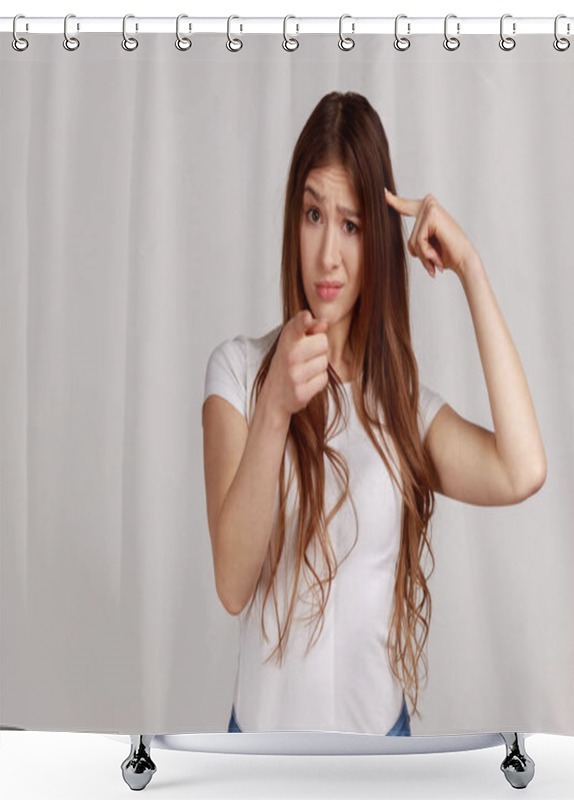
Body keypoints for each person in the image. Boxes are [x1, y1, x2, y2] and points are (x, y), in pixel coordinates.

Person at [202, 91, 547, 737]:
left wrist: (471, 268)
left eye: (353, 224)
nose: (328, 254)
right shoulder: (239, 373)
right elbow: (231, 582)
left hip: (382, 755)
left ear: (377, 241)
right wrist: (276, 407)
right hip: (260, 759)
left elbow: (522, 469)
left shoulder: (405, 413)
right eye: (313, 215)